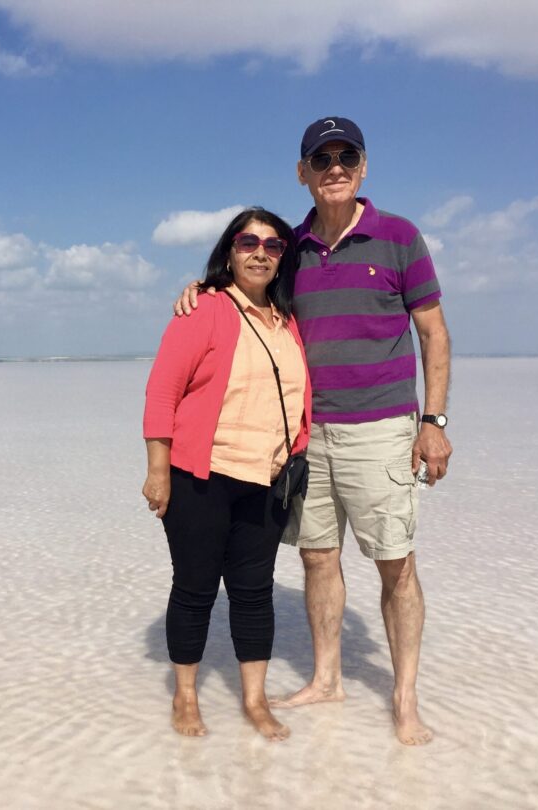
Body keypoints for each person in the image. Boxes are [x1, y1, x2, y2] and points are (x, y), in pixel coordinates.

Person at [174, 117, 452, 745]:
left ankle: (405, 697)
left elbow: (433, 333)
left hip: (381, 428)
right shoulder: (290, 248)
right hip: (306, 436)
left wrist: (433, 422)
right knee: (318, 557)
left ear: (363, 166)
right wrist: (198, 288)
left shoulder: (400, 237)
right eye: (321, 159)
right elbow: (245, 290)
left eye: (346, 155)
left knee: (396, 564)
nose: (335, 167)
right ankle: (327, 679)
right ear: (302, 172)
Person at [143, 208, 313, 741]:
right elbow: (162, 392)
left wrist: (296, 450)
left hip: (267, 480)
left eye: (273, 245)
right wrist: (157, 471)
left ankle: (255, 700)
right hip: (202, 477)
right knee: (195, 589)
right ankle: (186, 696)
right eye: (248, 242)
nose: (260, 252)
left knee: (254, 592)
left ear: (283, 257)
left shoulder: (288, 322)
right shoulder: (205, 309)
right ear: (230, 251)